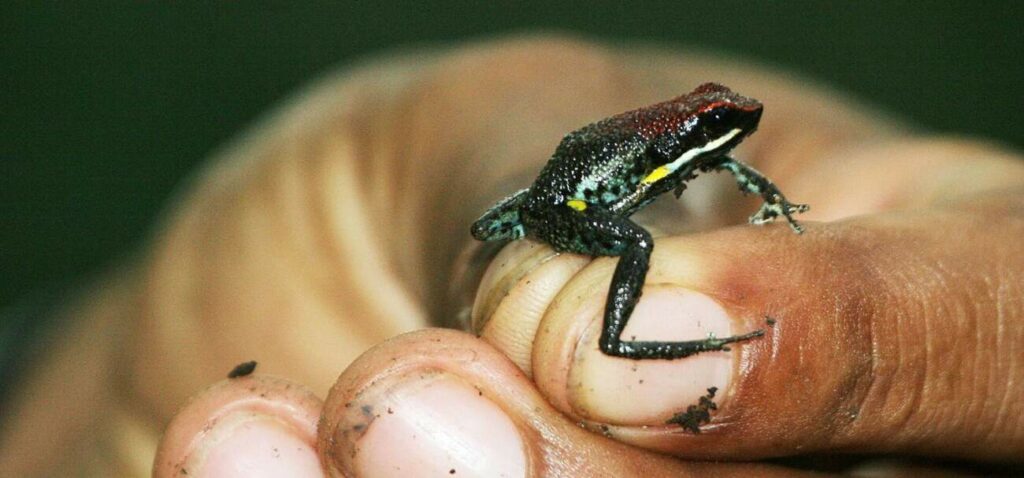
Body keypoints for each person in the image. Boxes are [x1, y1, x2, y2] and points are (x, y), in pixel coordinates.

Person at [2, 36, 1022, 477]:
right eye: (720, 126)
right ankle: (635, 341)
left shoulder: (713, 159)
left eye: (729, 126)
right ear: (689, 136)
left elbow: (735, 177)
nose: (735, 132)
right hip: (566, 201)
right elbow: (610, 189)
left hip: (562, 187)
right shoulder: (670, 160)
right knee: (623, 248)